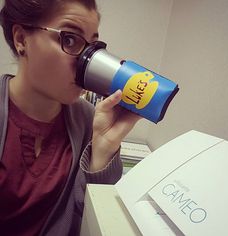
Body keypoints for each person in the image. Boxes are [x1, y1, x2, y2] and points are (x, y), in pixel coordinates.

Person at [0, 0, 141, 235]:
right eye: (69, 39)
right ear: (21, 39)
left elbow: (90, 220)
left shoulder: (89, 120)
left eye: (93, 47)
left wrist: (102, 153)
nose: (87, 61)